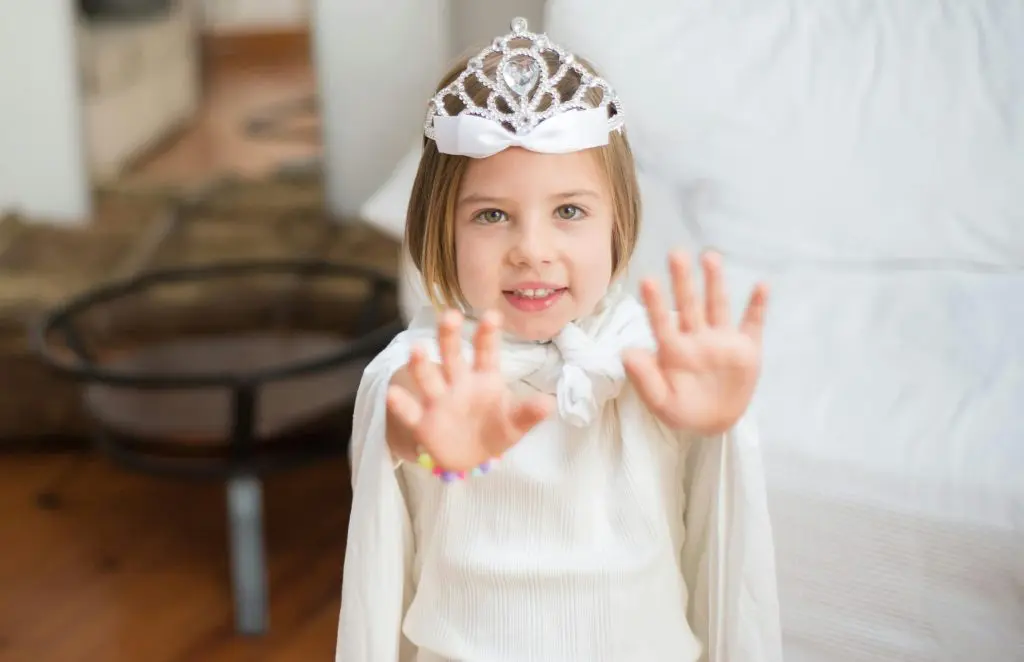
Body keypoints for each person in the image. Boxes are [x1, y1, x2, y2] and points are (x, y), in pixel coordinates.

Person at [336, 17, 783, 662]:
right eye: (492, 216)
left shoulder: (645, 356)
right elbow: (402, 414)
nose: (532, 251)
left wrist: (718, 423)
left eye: (568, 211)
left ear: (616, 221)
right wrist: (428, 443)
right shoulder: (432, 364)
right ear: (441, 227)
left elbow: (712, 513)